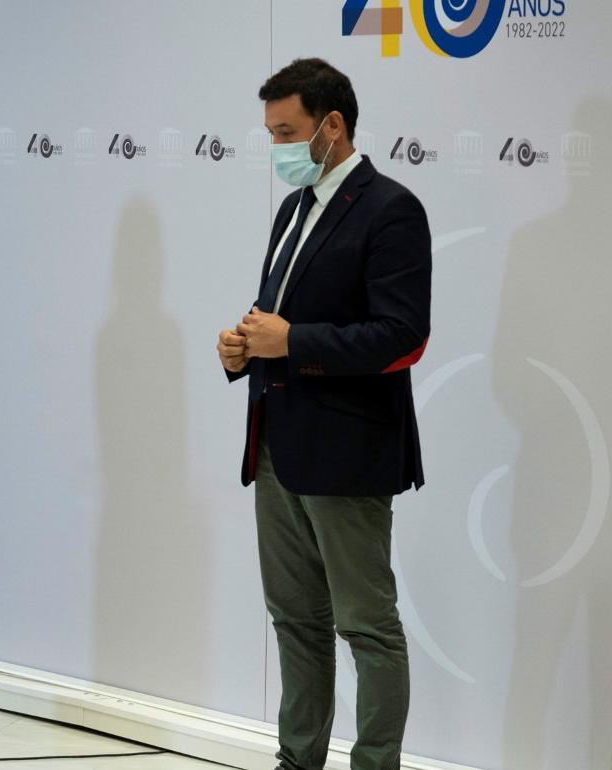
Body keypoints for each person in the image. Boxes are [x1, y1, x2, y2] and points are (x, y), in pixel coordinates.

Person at [216, 58, 431, 770]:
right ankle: (297, 760)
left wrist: (292, 341)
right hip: (277, 446)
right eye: (271, 132)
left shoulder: (391, 208)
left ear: (332, 126)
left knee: (367, 626)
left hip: (348, 452)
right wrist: (242, 348)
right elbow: (276, 317)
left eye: (288, 131)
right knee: (295, 622)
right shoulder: (293, 209)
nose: (277, 146)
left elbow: (404, 336)